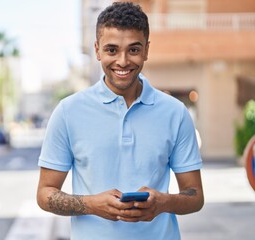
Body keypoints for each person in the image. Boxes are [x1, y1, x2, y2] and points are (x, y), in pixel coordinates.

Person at [37, 2, 204, 239]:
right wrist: (93, 204)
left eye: (133, 50)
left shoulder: (175, 113)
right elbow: (45, 194)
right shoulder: (68, 112)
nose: (123, 61)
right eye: (112, 50)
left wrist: (163, 202)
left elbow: (195, 196)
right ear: (97, 50)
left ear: (146, 50)